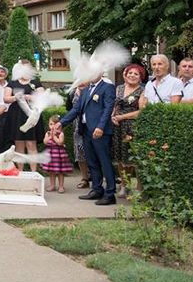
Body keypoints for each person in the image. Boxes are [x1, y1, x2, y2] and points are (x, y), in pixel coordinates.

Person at [55, 74, 117, 205]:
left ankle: (110, 193)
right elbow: (76, 109)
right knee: (92, 162)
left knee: (105, 162)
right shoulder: (87, 89)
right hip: (86, 131)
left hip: (100, 132)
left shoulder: (107, 87)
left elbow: (108, 109)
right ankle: (96, 189)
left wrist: (100, 127)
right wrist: (62, 122)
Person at [2, 60, 45, 172]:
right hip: (16, 116)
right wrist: (16, 97)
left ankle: (33, 173)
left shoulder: (36, 83)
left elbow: (43, 97)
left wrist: (30, 97)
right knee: (19, 145)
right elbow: (6, 99)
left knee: (31, 144)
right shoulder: (12, 83)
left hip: (32, 116)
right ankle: (20, 173)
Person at [111, 63, 146, 196]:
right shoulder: (119, 88)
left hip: (131, 127)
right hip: (117, 127)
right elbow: (114, 105)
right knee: (119, 157)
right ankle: (124, 185)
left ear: (140, 77)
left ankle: (132, 185)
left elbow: (141, 111)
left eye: (136, 74)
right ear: (125, 76)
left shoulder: (142, 91)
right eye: (130, 73)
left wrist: (122, 117)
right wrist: (112, 116)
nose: (132, 75)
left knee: (130, 158)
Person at [67, 84, 91, 189]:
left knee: (93, 153)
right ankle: (84, 178)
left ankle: (95, 178)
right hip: (77, 127)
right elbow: (69, 109)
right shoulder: (72, 93)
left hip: (91, 126)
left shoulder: (93, 90)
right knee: (80, 153)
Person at [41, 114, 72, 193]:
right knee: (51, 172)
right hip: (51, 155)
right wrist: (49, 136)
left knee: (60, 172)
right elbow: (45, 142)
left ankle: (61, 186)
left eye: (55, 124)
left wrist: (54, 136)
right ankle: (52, 185)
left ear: (59, 125)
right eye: (51, 124)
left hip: (58, 155)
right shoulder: (47, 133)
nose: (52, 126)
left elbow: (60, 143)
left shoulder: (61, 134)